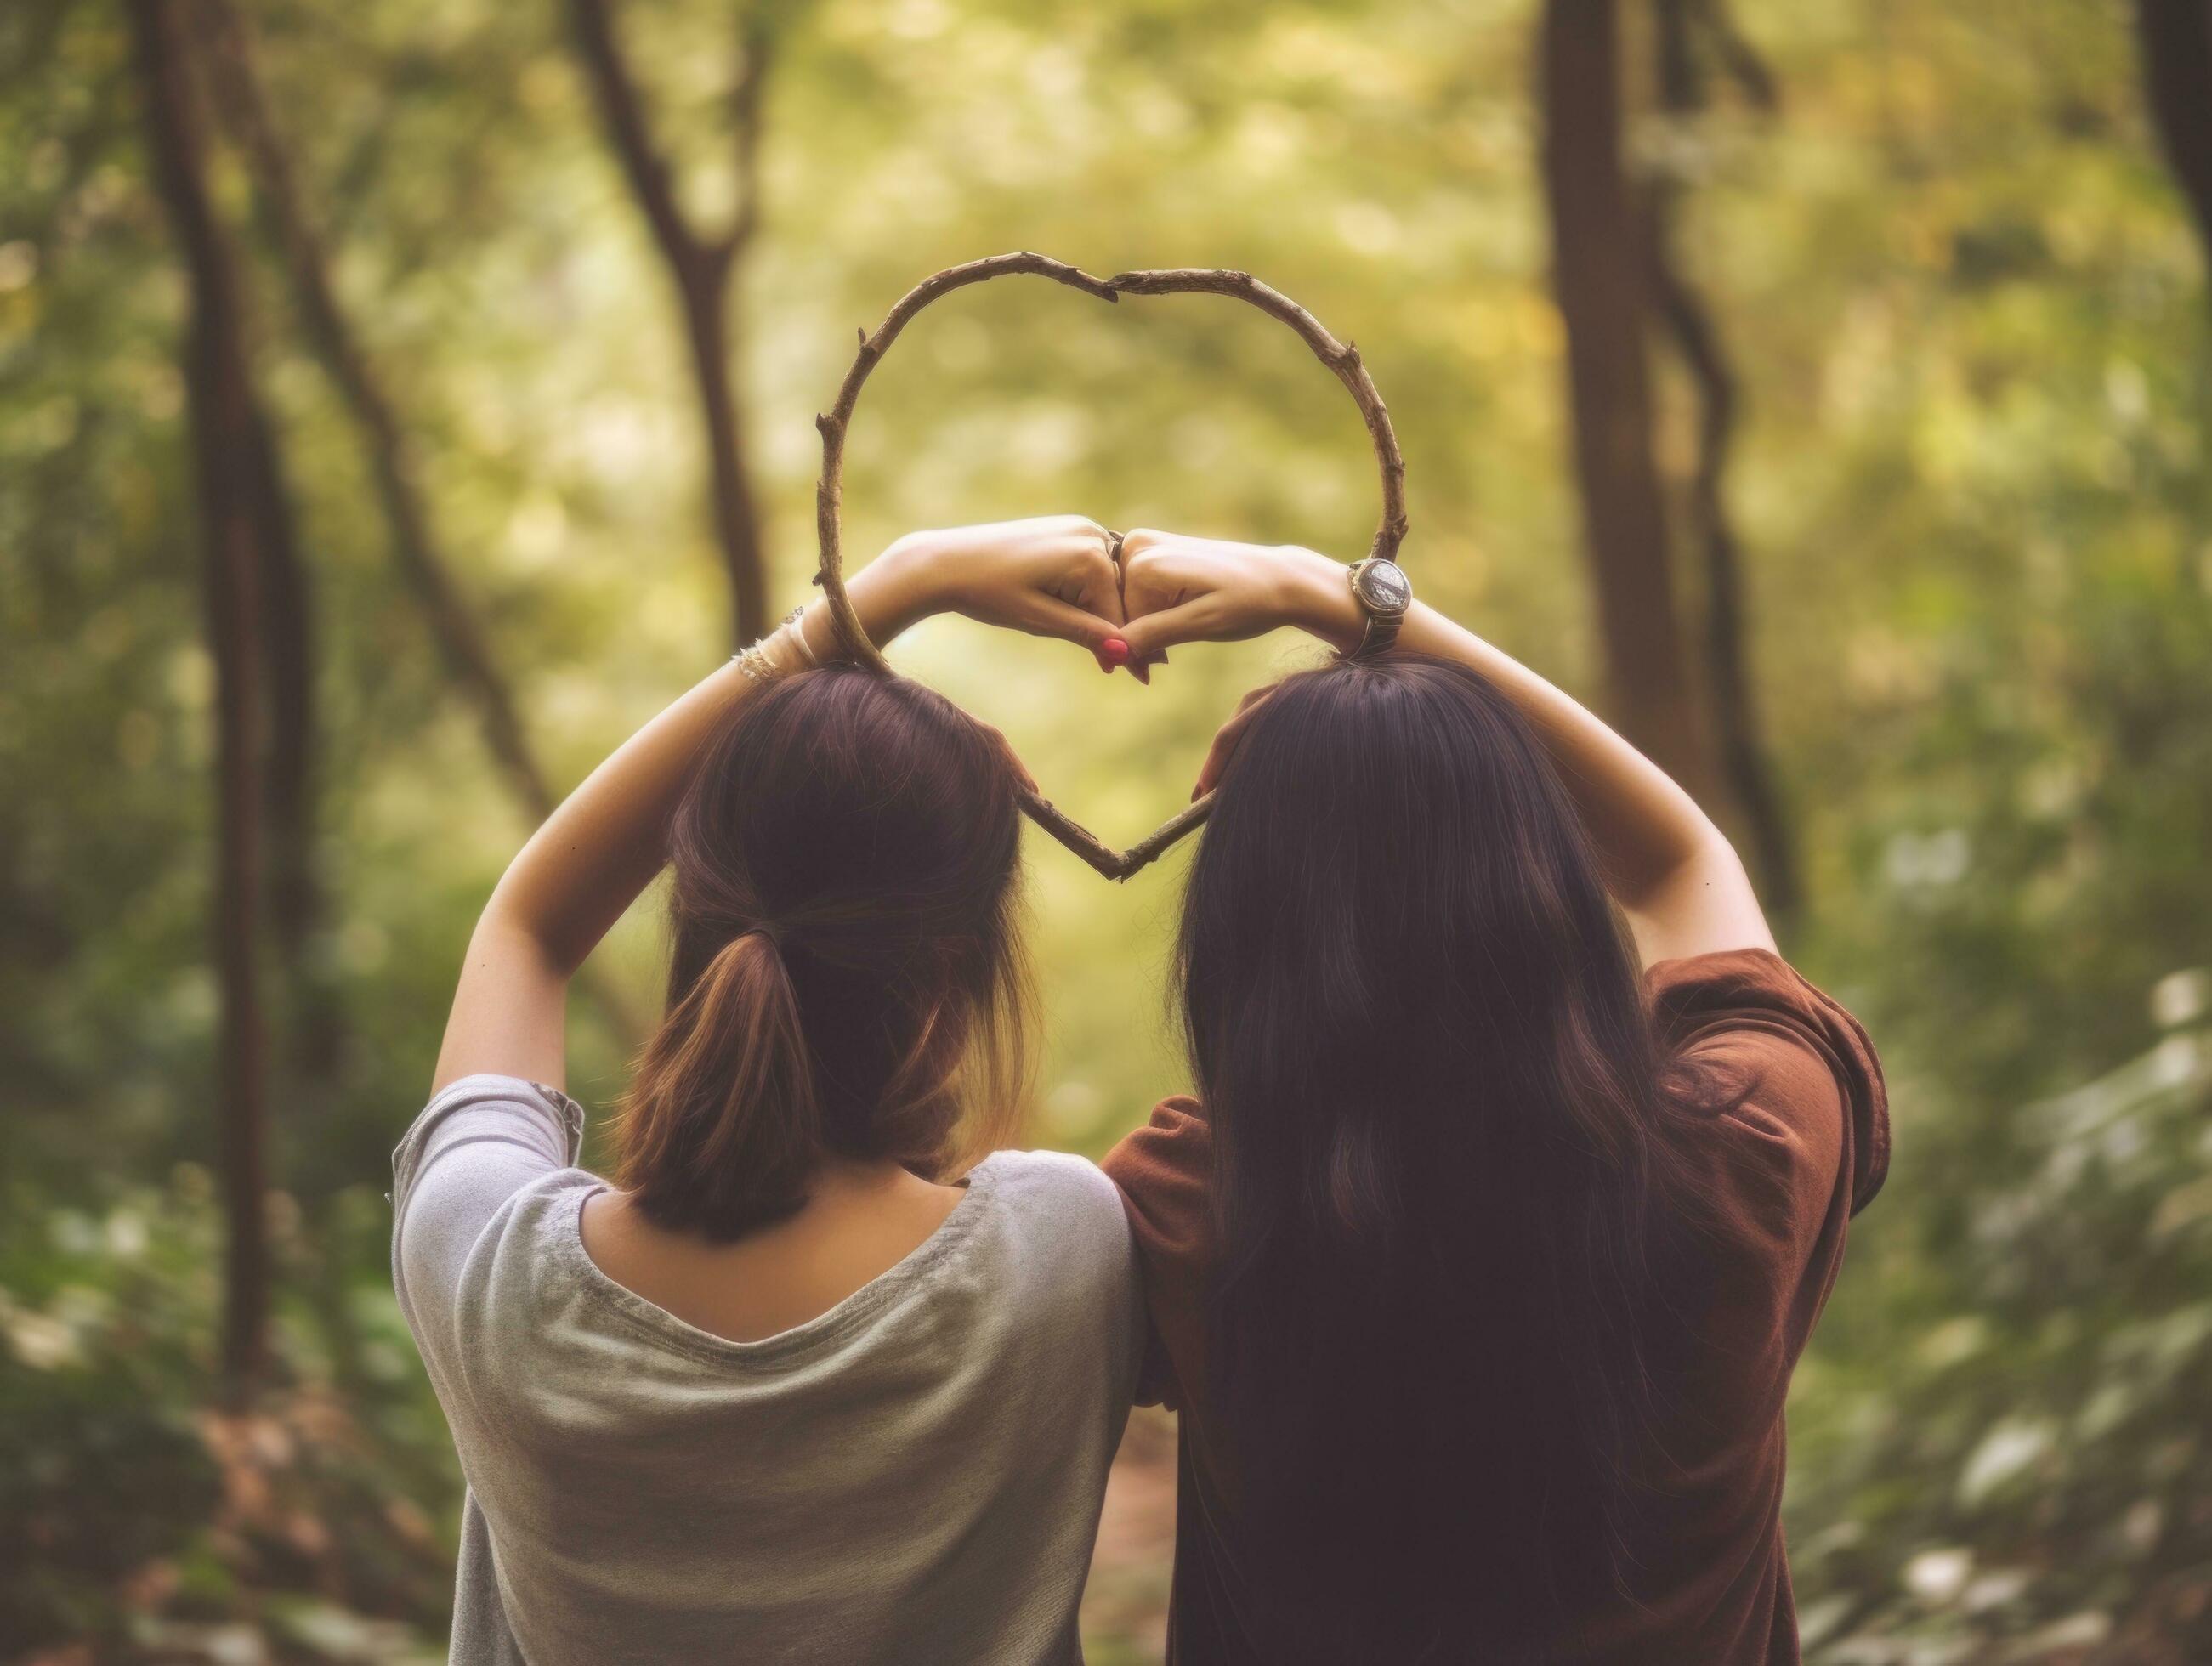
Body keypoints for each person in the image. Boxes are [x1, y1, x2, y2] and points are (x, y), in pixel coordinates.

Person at [1100, 530, 1892, 1663]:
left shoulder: (1183, 1214)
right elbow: (1681, 863)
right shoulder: (1744, 1153)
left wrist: (859, 617)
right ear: (1549, 894)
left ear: (1241, 941)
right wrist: (1344, 602)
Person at [391, 518, 1149, 1665]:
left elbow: (530, 924)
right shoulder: (1062, 1253)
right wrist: (1356, 615)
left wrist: (873, 599)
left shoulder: (491, 1269)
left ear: (694, 915)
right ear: (952, 980)